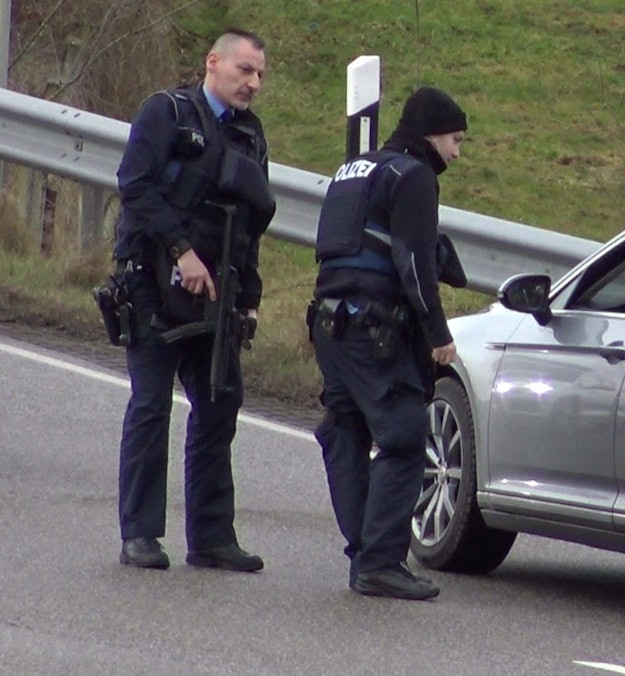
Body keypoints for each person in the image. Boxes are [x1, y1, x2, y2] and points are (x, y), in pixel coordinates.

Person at [110, 29, 274, 572]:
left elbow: (249, 225)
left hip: (216, 296)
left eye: (259, 75)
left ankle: (211, 538)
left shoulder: (250, 136)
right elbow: (135, 186)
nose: (252, 83)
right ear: (213, 63)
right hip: (153, 284)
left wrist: (248, 297)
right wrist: (181, 252)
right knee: (152, 406)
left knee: (219, 407)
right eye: (244, 70)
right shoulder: (166, 112)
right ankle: (140, 535)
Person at [309, 86, 467, 600]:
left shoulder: (352, 170)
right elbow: (414, 262)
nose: (457, 153)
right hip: (373, 329)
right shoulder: (415, 176)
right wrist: (437, 333)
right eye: (455, 140)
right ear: (431, 135)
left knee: (346, 429)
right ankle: (379, 561)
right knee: (401, 435)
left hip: (330, 325)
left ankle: (366, 552)